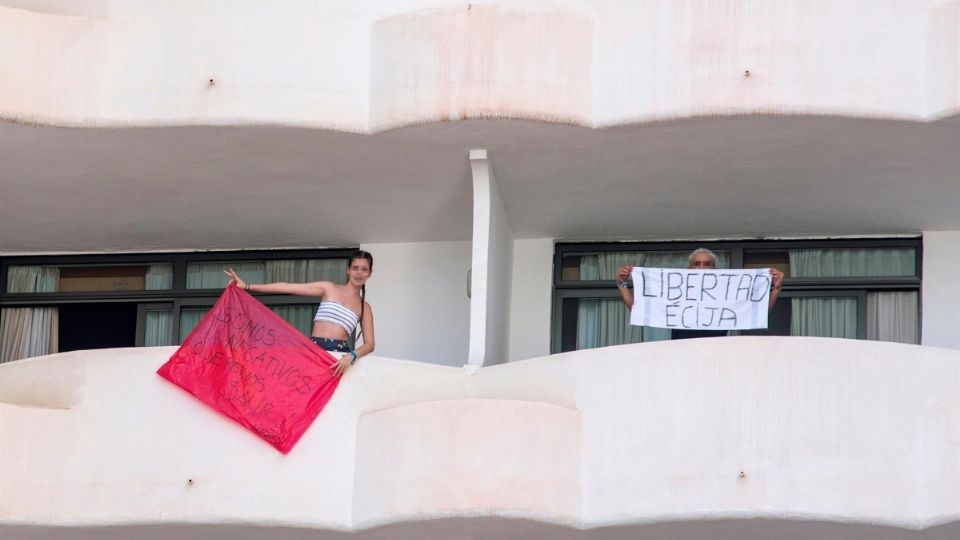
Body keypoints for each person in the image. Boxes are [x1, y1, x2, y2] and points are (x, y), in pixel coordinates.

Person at [224, 250, 375, 376]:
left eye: (364, 269)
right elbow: (287, 287)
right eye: (355, 268)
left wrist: (352, 356)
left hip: (339, 358)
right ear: (348, 270)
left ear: (370, 274)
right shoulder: (329, 288)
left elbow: (370, 344)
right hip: (314, 349)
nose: (359, 273)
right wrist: (248, 286)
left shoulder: (364, 307)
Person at [615, 248, 784, 339]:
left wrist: (775, 289)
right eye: (697, 264)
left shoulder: (725, 290)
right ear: (689, 269)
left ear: (714, 269)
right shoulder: (676, 290)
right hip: (681, 355)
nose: (702, 268)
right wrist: (622, 284)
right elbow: (641, 311)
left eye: (707, 264)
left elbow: (756, 312)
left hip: (715, 356)